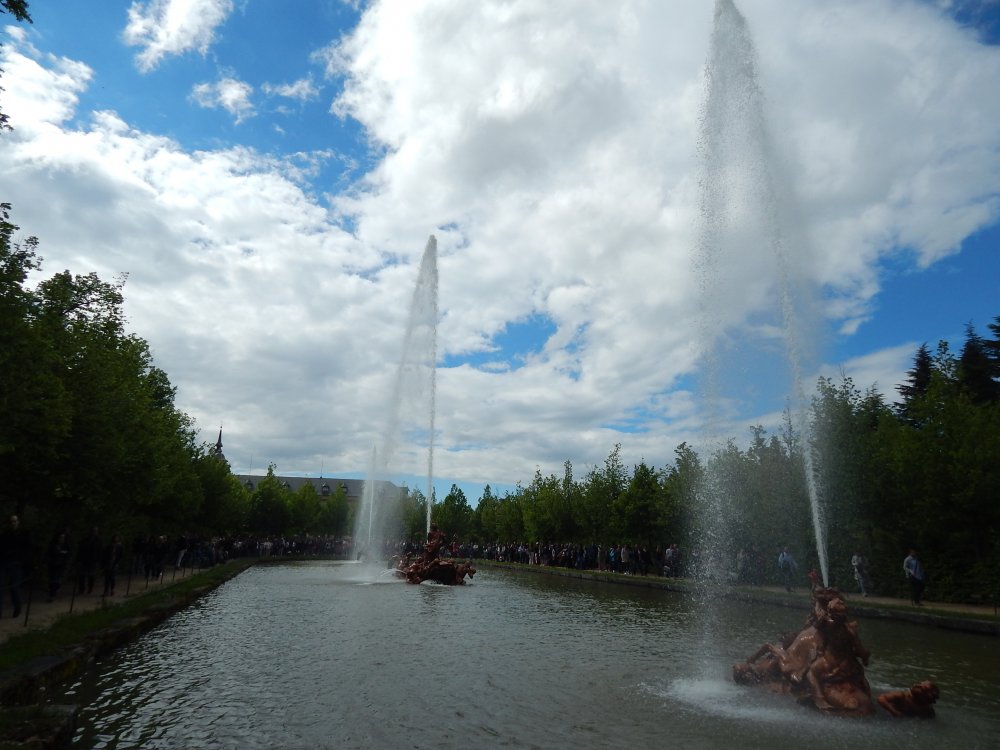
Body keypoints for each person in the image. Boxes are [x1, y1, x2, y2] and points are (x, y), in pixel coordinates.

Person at [0, 514, 30, 618]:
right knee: (1, 587)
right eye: (11, 521)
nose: (13, 523)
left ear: (18, 522)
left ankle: (17, 606)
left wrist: (24, 562)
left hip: (17, 564)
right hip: (4, 562)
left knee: (14, 587)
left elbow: (27, 549)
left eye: (14, 521)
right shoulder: (5, 534)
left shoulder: (24, 534)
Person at [46, 529, 72, 601]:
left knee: (57, 580)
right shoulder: (53, 545)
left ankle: (53, 593)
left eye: (63, 538)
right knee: (52, 580)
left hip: (61, 565)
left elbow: (68, 554)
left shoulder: (66, 545)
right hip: (53, 565)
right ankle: (52, 595)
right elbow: (48, 553)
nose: (62, 539)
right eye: (61, 537)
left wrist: (65, 559)